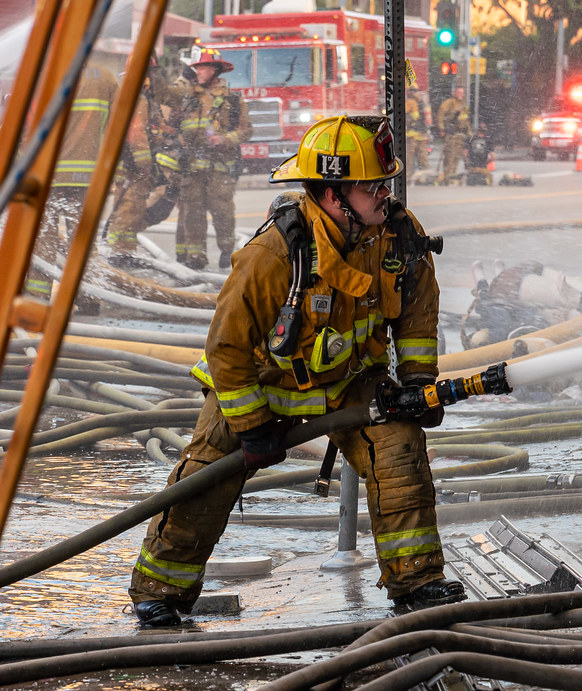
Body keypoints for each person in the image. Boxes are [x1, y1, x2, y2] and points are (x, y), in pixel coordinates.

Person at [128, 115, 465, 628]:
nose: (383, 193)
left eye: (384, 182)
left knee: (399, 449)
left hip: (350, 385)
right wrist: (251, 426)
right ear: (333, 195)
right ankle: (161, 593)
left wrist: (417, 384)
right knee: (203, 482)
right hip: (260, 387)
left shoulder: (399, 236)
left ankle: (417, 582)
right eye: (371, 185)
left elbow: (418, 317)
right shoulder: (275, 252)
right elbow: (226, 349)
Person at [27, 59, 119, 309]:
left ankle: (37, 299)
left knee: (43, 238)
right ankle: (88, 297)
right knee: (82, 239)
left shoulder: (47, 72)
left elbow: (30, 126)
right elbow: (116, 127)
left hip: (49, 176)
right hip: (90, 176)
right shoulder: (106, 77)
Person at [175, 48, 251, 270]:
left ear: (215, 70)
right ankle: (196, 258)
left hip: (220, 168)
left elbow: (246, 131)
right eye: (196, 68)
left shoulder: (233, 99)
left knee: (222, 212)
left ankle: (227, 251)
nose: (197, 72)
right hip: (193, 168)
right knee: (192, 213)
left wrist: (224, 139)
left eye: (202, 67)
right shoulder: (188, 97)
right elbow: (177, 126)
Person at [105, 57, 181, 269]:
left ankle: (124, 252)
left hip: (130, 165)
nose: (155, 76)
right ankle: (119, 253)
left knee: (132, 210)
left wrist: (166, 138)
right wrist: (145, 165)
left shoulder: (140, 96)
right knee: (128, 211)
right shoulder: (136, 97)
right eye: (152, 72)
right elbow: (137, 135)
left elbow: (149, 130)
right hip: (133, 168)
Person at [436, 86, 469, 185]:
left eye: (462, 93)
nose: (460, 94)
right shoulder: (449, 103)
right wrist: (441, 129)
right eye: (458, 92)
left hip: (460, 134)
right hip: (451, 134)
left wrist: (469, 132)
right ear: (454, 93)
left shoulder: (463, 104)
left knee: (457, 156)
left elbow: (466, 119)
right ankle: (447, 176)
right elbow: (440, 116)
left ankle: (453, 175)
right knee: (449, 156)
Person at [405, 87, 430, 177]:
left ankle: (408, 176)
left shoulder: (410, 102)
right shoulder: (423, 104)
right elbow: (427, 120)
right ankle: (425, 176)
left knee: (409, 158)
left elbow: (402, 114)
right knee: (422, 157)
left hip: (412, 135)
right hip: (421, 134)